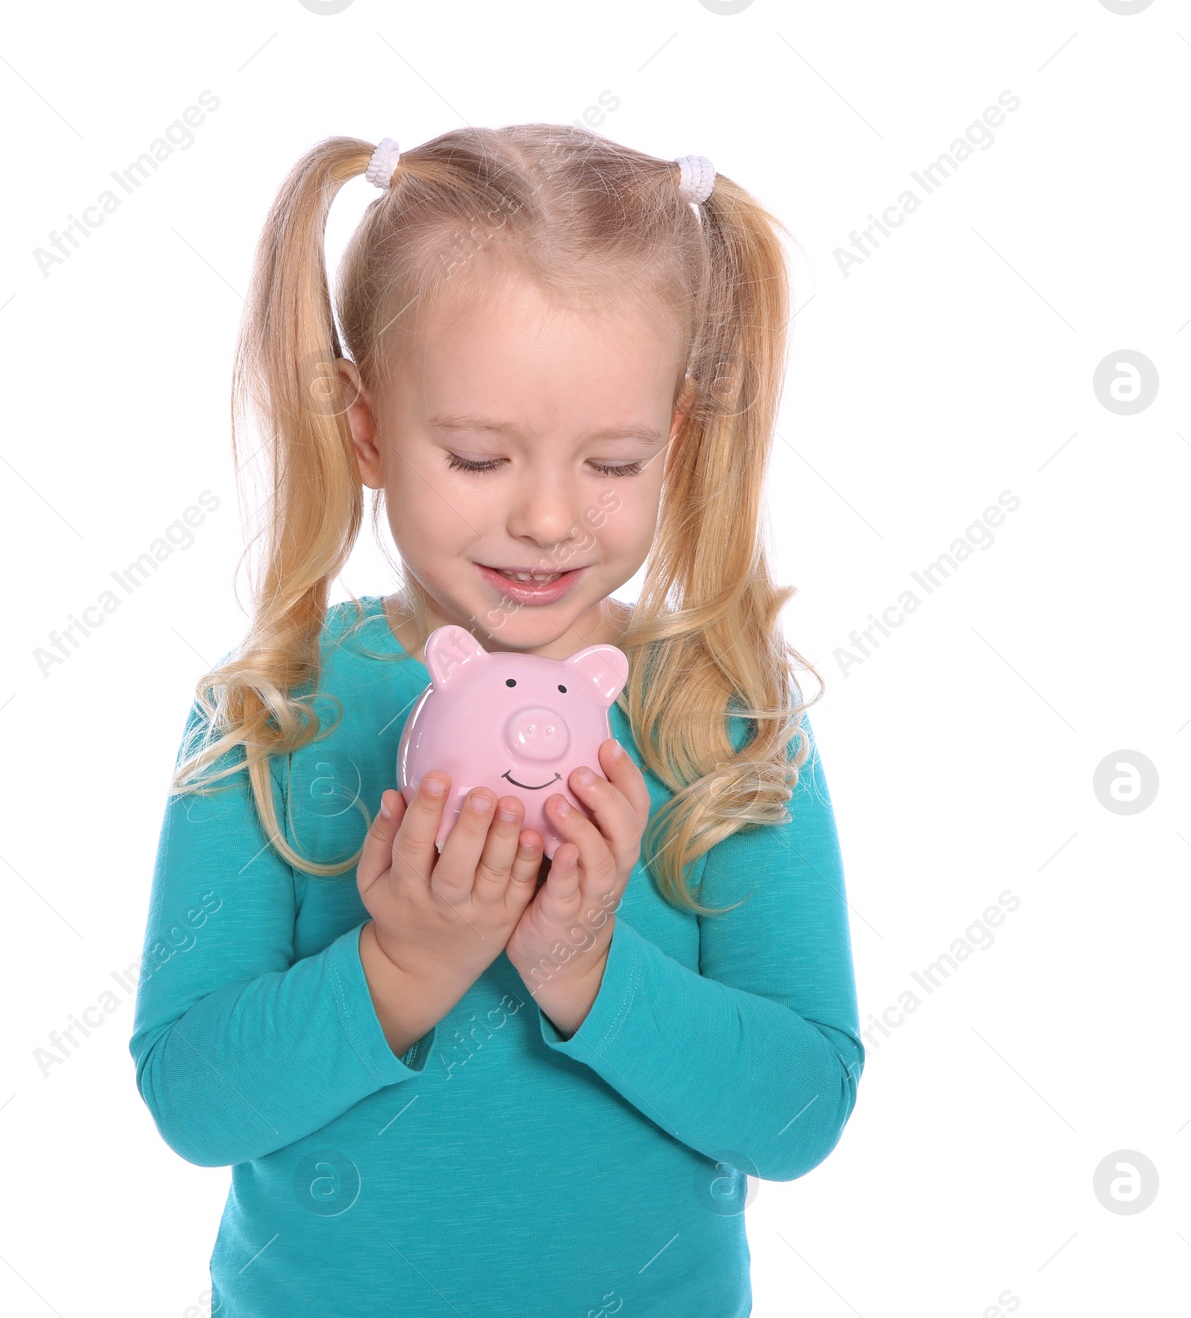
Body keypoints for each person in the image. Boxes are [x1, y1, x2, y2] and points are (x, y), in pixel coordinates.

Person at [128, 125, 864, 1316]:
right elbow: (192, 1098)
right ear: (365, 428)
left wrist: (584, 964)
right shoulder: (273, 713)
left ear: (674, 443)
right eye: (477, 457)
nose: (546, 518)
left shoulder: (722, 719)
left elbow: (799, 1111)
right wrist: (403, 963)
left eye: (613, 464)